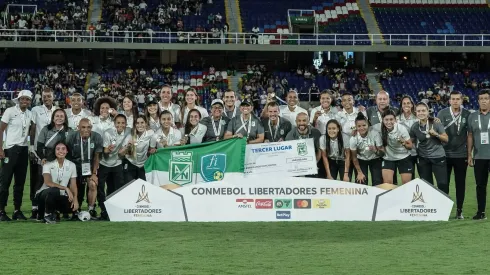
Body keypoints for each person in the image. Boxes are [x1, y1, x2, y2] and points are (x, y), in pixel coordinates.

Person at [437, 91, 471, 219]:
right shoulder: (442, 113)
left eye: (458, 99)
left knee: (460, 184)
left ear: (462, 100)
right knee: (443, 184)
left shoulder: (467, 114)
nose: (455, 101)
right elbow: (437, 133)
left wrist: (469, 155)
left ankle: (459, 210)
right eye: (453, 99)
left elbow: (470, 135)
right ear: (449, 100)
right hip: (444, 154)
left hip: (461, 155)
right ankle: (443, 210)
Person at [0, 90, 33, 221]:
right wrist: (0, 148)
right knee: (5, 181)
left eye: (27, 99)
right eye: (23, 99)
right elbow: (1, 129)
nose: (25, 101)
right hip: (10, 149)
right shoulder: (10, 111)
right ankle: (1, 210)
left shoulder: (30, 113)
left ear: (30, 101)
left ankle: (17, 210)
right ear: (18, 100)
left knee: (20, 182)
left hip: (23, 150)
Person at [65, 118, 102, 220]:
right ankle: (75, 209)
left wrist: (94, 173)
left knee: (93, 184)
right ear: (78, 128)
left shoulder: (97, 137)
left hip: (89, 167)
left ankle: (91, 209)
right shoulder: (71, 137)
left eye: (89, 127)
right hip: (75, 166)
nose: (86, 130)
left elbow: (96, 156)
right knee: (74, 186)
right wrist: (69, 171)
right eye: (83, 127)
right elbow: (67, 156)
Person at [29, 88, 58, 219]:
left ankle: (50, 207)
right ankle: (34, 207)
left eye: (49, 96)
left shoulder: (57, 110)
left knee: (52, 178)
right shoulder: (36, 110)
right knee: (36, 179)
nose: (47, 98)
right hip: (38, 150)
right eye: (44, 96)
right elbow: (33, 128)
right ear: (41, 97)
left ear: (53, 97)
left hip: (53, 152)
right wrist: (31, 147)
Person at [35, 141, 78, 224]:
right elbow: (48, 182)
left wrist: (75, 200)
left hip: (60, 195)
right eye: (58, 149)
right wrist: (65, 188)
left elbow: (73, 185)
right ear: (54, 151)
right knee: (54, 190)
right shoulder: (47, 164)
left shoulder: (72, 165)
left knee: (72, 208)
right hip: (44, 194)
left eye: (63, 149)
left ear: (67, 151)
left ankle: (55, 212)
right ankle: (47, 215)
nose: (61, 151)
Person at [410, 103, 449, 194]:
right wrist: (404, 143)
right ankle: (431, 207)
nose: (421, 113)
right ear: (416, 112)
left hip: (438, 157)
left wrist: (436, 134)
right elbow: (410, 142)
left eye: (423, 110)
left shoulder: (436, 123)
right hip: (423, 158)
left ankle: (444, 206)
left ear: (428, 112)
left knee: (442, 184)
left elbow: (446, 139)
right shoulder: (415, 126)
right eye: (419, 111)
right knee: (427, 185)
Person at [98, 114, 131, 220]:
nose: (120, 125)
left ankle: (116, 210)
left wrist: (125, 149)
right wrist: (108, 150)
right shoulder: (108, 133)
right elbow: (105, 152)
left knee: (118, 187)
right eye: (118, 123)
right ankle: (103, 210)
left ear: (126, 124)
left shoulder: (128, 132)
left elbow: (122, 153)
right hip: (104, 163)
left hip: (117, 162)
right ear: (114, 123)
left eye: (123, 123)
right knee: (101, 188)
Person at [467, 89, 490, 220]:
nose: (483, 101)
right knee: (480, 186)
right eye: (481, 99)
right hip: (479, 156)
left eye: (486, 98)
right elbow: (470, 136)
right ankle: (481, 212)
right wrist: (469, 154)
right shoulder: (473, 116)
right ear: (478, 101)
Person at [380, 109, 414, 185]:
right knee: (387, 184)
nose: (389, 122)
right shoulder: (380, 128)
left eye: (391, 119)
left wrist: (403, 142)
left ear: (395, 119)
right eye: (386, 120)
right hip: (388, 158)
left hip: (404, 157)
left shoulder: (401, 128)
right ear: (382, 120)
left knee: (406, 184)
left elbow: (410, 146)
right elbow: (367, 127)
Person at [349, 113, 384, 185]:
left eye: (364, 125)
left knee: (377, 182)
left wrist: (375, 150)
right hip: (361, 160)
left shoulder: (375, 134)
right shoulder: (353, 138)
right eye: (359, 126)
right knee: (361, 181)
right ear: (355, 127)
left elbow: (382, 153)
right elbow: (354, 158)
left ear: (368, 124)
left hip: (375, 159)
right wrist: (359, 172)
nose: (362, 128)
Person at [285, 113, 321, 177]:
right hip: (296, 164)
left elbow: (319, 151)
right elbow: (288, 154)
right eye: (299, 121)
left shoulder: (316, 133)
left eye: (304, 120)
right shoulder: (290, 135)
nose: (301, 123)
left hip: (312, 163)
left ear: (308, 121)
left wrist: (314, 163)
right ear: (296, 122)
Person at [120, 115, 154, 183]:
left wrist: (152, 151)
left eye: (142, 122)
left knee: (143, 188)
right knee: (130, 188)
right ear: (135, 125)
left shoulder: (151, 134)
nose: (140, 125)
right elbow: (121, 153)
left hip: (143, 165)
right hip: (131, 164)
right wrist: (128, 146)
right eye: (137, 123)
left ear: (146, 123)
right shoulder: (130, 135)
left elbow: (153, 148)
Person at [397, 95, 418, 179]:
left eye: (408, 103)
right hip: (404, 153)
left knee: (423, 177)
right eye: (404, 103)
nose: (406, 105)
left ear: (412, 105)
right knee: (409, 179)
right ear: (401, 105)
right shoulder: (397, 119)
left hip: (418, 152)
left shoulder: (417, 117)